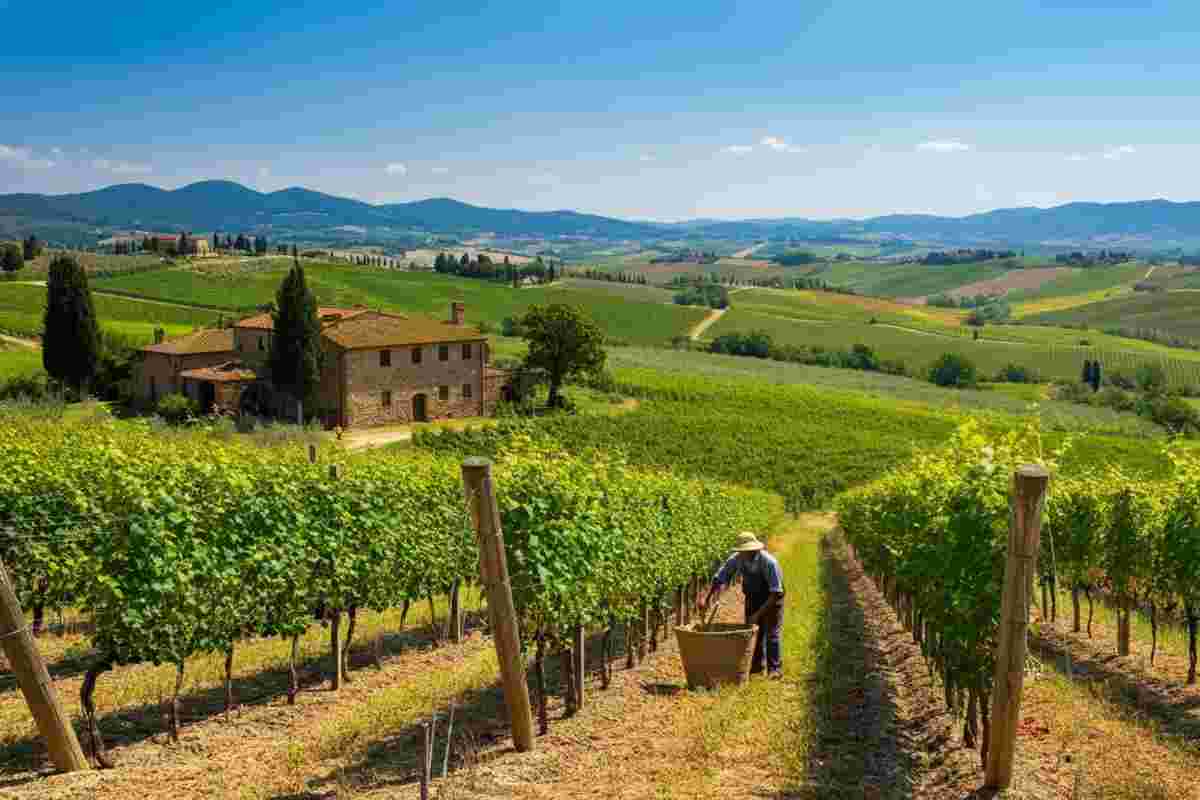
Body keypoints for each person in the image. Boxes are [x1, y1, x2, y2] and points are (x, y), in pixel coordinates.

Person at [700, 531, 785, 679]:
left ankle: (774, 669)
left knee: (771, 633)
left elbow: (776, 592)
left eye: (748, 551)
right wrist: (706, 599)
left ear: (755, 549)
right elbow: (719, 578)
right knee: (753, 632)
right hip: (752, 597)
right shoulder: (737, 559)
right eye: (743, 551)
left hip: (772, 599)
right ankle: (757, 667)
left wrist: (758, 615)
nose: (745, 554)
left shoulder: (769, 562)